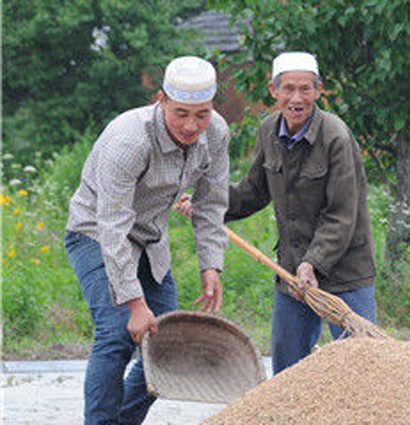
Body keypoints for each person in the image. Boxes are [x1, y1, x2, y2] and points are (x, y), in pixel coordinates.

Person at [177, 51, 377, 374]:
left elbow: (341, 215)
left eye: (305, 89)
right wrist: (204, 203)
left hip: (345, 271)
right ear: (274, 91)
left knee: (362, 366)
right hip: (292, 272)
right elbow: (252, 192)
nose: (296, 98)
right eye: (288, 89)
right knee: (287, 369)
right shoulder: (269, 130)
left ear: (319, 90)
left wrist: (314, 263)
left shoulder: (336, 137)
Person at [65, 56, 230, 424]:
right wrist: (135, 303)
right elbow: (112, 226)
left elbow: (211, 203)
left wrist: (211, 265)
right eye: (181, 113)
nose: (191, 125)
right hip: (95, 232)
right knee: (117, 332)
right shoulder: (129, 139)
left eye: (201, 114)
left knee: (164, 345)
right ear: (161, 100)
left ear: (212, 108)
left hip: (151, 240)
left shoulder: (216, 134)